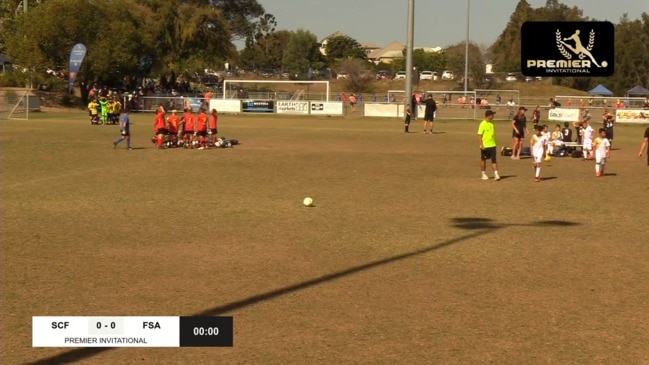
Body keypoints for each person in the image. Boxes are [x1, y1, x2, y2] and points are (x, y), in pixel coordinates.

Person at [477, 110, 501, 181]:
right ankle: (483, 174)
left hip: (492, 145)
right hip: (485, 146)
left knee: (494, 160)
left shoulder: (492, 124)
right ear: (489, 115)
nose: (493, 116)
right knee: (483, 160)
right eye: (492, 115)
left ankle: (496, 174)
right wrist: (482, 145)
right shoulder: (482, 124)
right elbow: (479, 135)